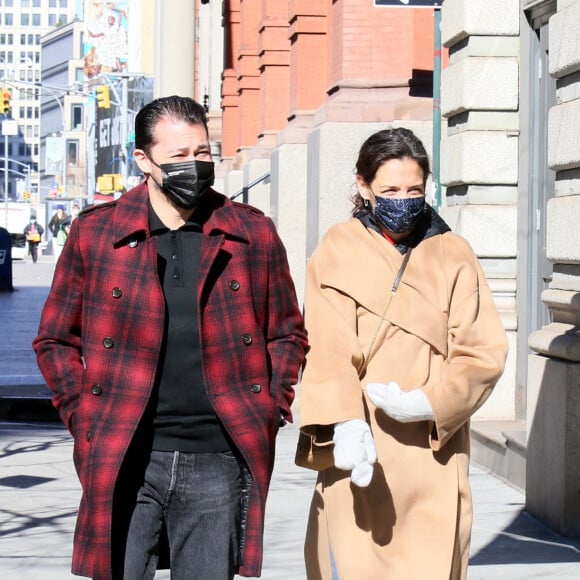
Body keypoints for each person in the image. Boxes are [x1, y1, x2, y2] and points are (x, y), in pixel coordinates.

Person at [33, 96, 307, 580]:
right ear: (144, 160)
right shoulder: (97, 234)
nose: (196, 166)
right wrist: (83, 414)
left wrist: (272, 403)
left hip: (217, 455)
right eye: (179, 156)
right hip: (125, 450)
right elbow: (55, 339)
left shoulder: (250, 233)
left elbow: (286, 331)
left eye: (203, 153)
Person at [297, 127, 508, 580]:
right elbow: (327, 345)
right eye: (390, 189)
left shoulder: (453, 253)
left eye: (414, 189)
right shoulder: (337, 247)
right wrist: (346, 421)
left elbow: (482, 349)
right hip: (360, 447)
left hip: (433, 450)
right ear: (364, 186)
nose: (403, 199)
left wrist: (431, 401)